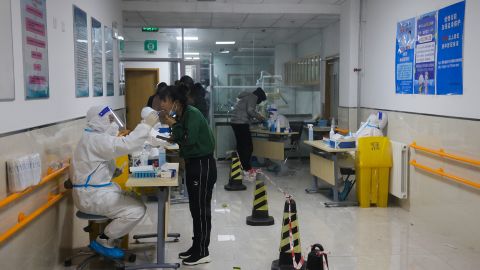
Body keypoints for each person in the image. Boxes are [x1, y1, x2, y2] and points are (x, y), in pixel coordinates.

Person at [71, 105, 159, 259]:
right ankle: (103, 240)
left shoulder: (91, 137)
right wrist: (146, 125)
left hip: (94, 191)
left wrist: (112, 171)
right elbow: (127, 144)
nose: (111, 123)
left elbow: (97, 161)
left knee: (135, 200)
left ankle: (111, 238)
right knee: (136, 210)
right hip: (91, 196)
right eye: (108, 119)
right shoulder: (95, 140)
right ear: (100, 120)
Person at [157, 85, 217, 266]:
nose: (161, 104)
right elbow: (177, 138)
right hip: (194, 164)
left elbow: (188, 139)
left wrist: (173, 124)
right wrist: (172, 125)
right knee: (195, 209)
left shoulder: (192, 113)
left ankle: (203, 251)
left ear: (175, 102)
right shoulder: (181, 115)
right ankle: (196, 246)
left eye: (164, 100)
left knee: (201, 210)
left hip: (203, 165)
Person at [230, 87, 267, 180]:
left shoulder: (246, 96)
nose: (259, 102)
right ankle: (247, 169)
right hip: (241, 123)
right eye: (260, 100)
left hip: (235, 122)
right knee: (248, 147)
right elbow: (250, 110)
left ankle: (241, 167)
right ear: (259, 97)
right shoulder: (253, 97)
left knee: (241, 146)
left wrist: (252, 119)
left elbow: (246, 111)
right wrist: (261, 118)